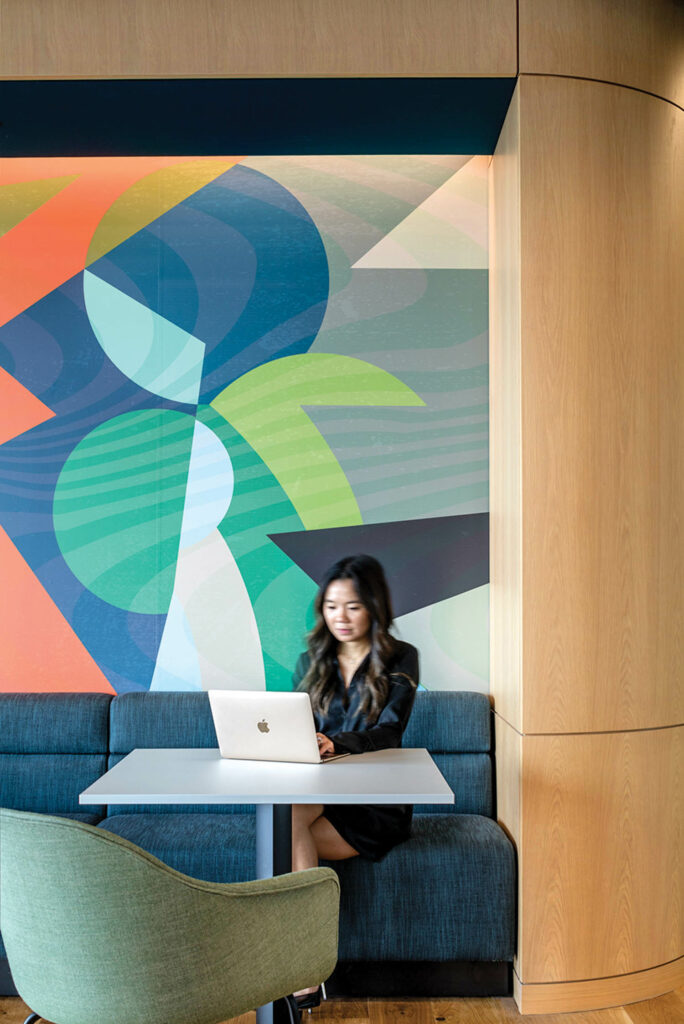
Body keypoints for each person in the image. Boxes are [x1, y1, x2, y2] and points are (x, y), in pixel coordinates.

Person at [291, 551, 419, 864]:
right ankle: (308, 915)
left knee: (282, 839)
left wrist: (336, 742)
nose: (341, 618)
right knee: (284, 819)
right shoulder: (311, 661)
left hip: (374, 801)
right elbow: (296, 725)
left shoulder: (401, 657)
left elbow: (390, 731)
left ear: (374, 607)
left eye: (353, 607)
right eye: (331, 607)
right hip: (322, 791)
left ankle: (304, 914)